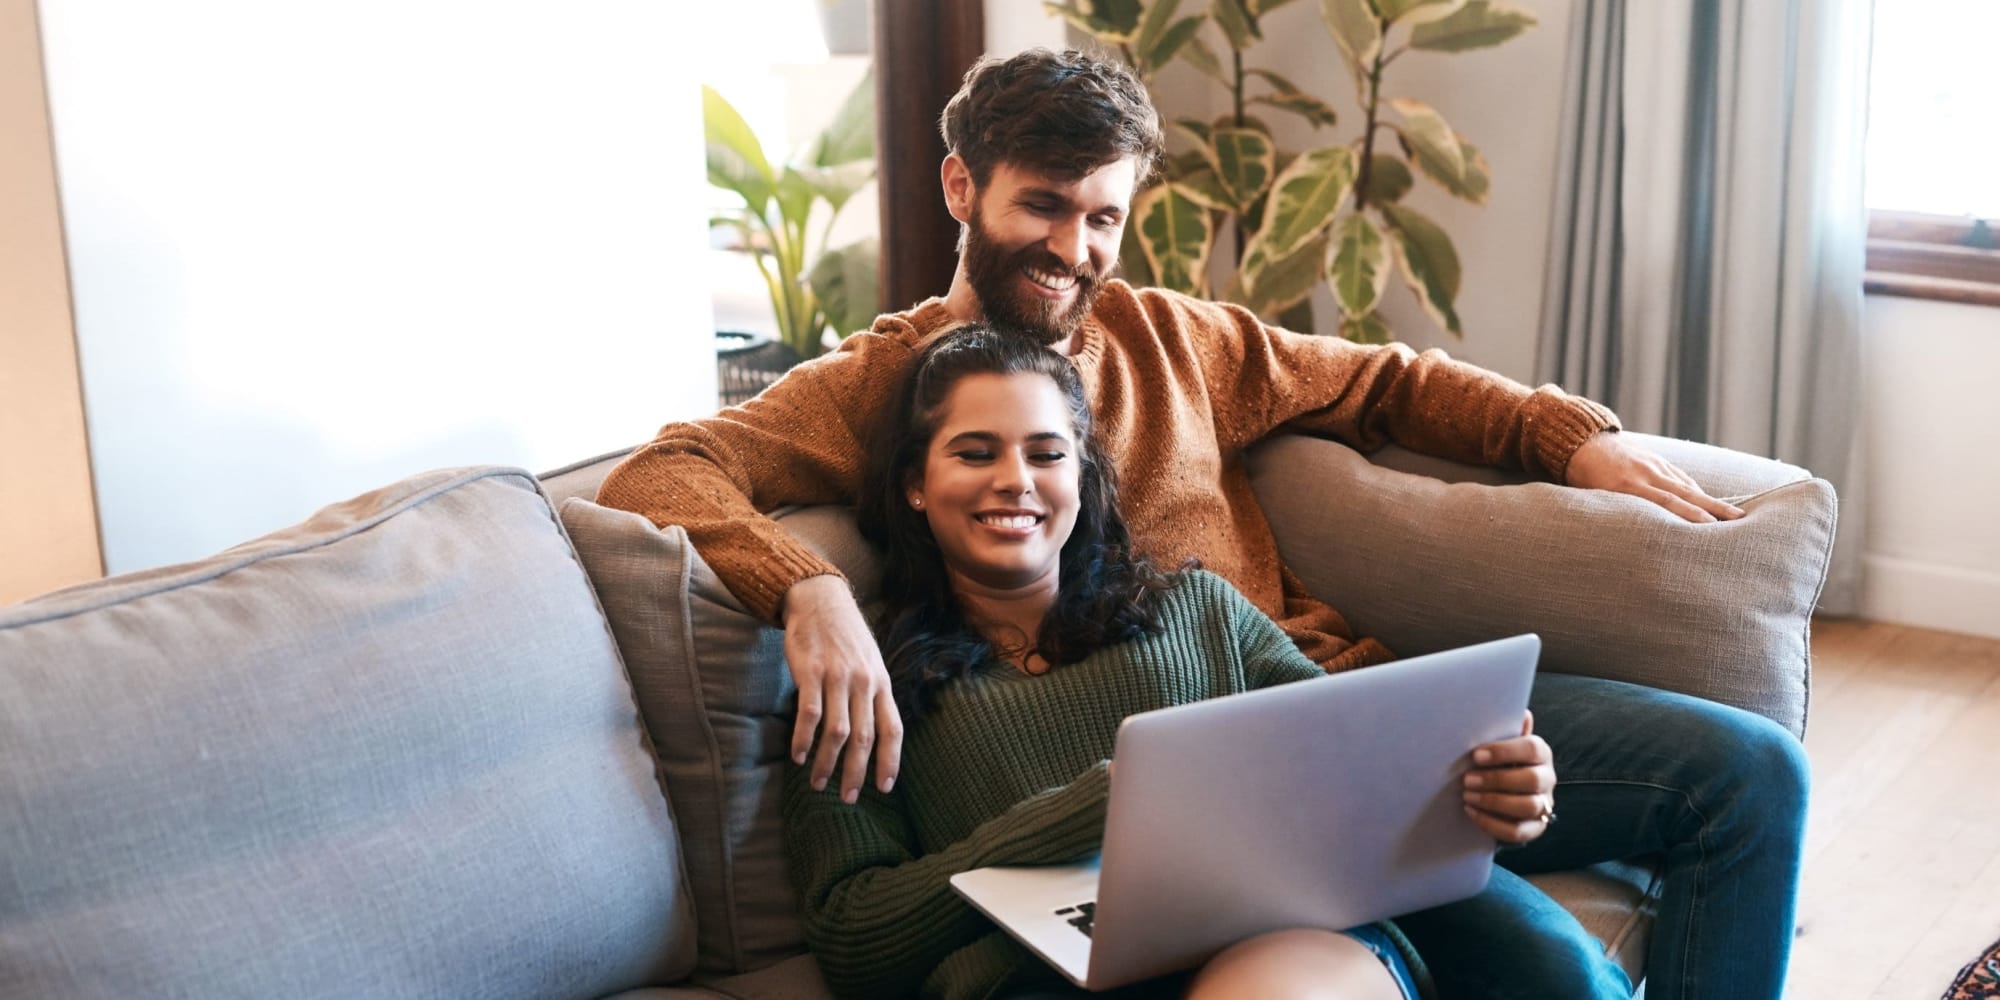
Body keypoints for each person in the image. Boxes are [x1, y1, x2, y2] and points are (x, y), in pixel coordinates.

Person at [597, 47, 1808, 998]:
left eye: (1104, 217)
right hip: (1158, 821)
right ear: (961, 186)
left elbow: (1382, 382)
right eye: (1044, 205)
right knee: (1534, 958)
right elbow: (668, 468)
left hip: (1335, 725)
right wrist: (804, 587)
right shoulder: (885, 384)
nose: (1073, 249)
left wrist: (1566, 436)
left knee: (1746, 772)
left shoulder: (1177, 337)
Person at [785, 324, 1562, 999]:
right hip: (1037, 981)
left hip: (1269, 944)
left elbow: (1351, 781)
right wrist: (1099, 808)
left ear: (1082, 479)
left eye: (1047, 453)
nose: (1016, 480)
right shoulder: (861, 680)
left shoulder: (1197, 608)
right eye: (976, 452)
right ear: (917, 483)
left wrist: (1488, 794)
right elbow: (854, 941)